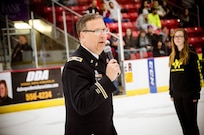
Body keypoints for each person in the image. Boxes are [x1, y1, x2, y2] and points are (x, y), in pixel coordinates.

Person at [62, 14, 121, 135]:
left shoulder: (102, 57)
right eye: (97, 31)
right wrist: (108, 79)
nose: (103, 35)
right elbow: (82, 104)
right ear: (83, 36)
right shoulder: (75, 65)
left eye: (104, 30)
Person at [168, 28, 202, 135]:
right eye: (175, 37)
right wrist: (171, 92)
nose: (177, 39)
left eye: (180, 36)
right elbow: (171, 76)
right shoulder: (172, 56)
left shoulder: (192, 56)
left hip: (189, 95)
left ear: (185, 39)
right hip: (177, 95)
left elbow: (196, 76)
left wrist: (196, 94)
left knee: (191, 124)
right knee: (183, 125)